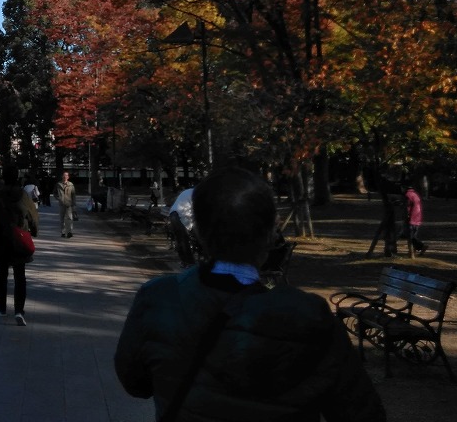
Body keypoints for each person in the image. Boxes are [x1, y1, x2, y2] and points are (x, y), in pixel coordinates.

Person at [114, 166, 385, 422]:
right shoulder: (311, 316)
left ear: (199, 233)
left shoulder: (158, 298)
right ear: (270, 234)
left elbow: (136, 383)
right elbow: (360, 413)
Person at [0, 162, 38, 325]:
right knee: (20, 275)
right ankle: (19, 310)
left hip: (1, 238)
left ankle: (1, 307)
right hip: (19, 237)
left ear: (3, 177)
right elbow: (33, 215)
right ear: (17, 177)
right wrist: (34, 230)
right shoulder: (23, 195)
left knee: (2, 274)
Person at [404, 183, 427, 255]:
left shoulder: (407, 195)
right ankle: (413, 251)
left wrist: (407, 215)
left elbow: (407, 207)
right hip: (418, 217)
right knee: (413, 235)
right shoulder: (415, 194)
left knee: (410, 236)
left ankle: (422, 246)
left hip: (412, 217)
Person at [55, 171, 77, 238]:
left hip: (69, 204)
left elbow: (73, 195)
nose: (65, 177)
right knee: (62, 219)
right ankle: (63, 232)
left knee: (69, 218)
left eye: (66, 175)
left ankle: (69, 232)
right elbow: (55, 193)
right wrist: (59, 198)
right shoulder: (58, 184)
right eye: (64, 175)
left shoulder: (71, 185)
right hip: (61, 204)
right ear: (62, 176)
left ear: (68, 177)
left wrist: (74, 204)